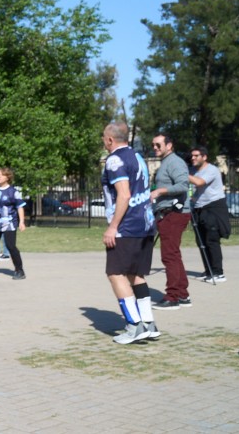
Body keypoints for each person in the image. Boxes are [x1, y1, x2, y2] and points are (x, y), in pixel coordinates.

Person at [101, 122, 159, 345]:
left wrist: (113, 226)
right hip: (145, 224)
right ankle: (148, 323)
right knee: (136, 275)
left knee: (115, 273)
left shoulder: (115, 160)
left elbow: (123, 195)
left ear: (110, 140)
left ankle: (134, 326)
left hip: (127, 227)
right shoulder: (138, 157)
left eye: (104, 139)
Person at [150, 133, 192, 309]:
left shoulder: (174, 162)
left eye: (158, 145)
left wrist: (160, 191)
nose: (155, 148)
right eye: (153, 145)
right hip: (167, 213)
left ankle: (172, 297)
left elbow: (183, 185)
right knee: (173, 254)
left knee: (169, 255)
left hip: (174, 213)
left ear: (169, 145)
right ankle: (182, 294)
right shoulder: (166, 163)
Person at [188, 146, 230, 284]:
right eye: (192, 156)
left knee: (212, 240)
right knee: (201, 241)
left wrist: (181, 174)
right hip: (199, 208)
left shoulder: (211, 170)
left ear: (204, 157)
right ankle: (208, 270)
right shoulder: (193, 170)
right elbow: (194, 188)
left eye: (196, 155)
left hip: (213, 207)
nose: (193, 158)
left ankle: (218, 272)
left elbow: (199, 182)